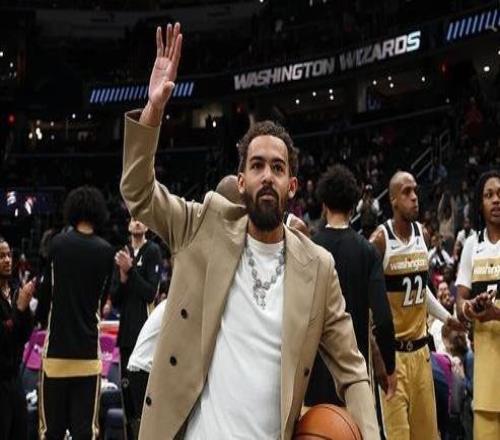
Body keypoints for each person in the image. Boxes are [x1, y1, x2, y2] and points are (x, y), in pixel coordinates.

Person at [120, 23, 380, 439]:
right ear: (241, 181)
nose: (267, 176)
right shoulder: (202, 225)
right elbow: (138, 191)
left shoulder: (318, 268)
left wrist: (370, 433)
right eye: (257, 165)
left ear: (292, 186)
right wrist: (153, 112)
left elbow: (352, 370)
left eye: (278, 168)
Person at [370, 171, 463, 440]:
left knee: (428, 435)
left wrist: (447, 318)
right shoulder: (380, 240)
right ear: (393, 200)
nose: (414, 197)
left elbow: (423, 292)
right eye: (406, 192)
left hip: (422, 353)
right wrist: (376, 355)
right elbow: (367, 303)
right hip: (393, 356)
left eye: (415, 191)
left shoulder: (422, 234)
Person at [304, 165, 396, 406]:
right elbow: (383, 320)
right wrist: (390, 367)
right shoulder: (368, 251)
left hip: (314, 377)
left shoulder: (308, 250)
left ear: (324, 205)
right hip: (354, 377)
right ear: (354, 207)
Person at [36, 186, 115, 440]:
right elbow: (102, 299)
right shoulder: (106, 251)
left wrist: (41, 318)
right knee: (85, 434)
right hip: (88, 355)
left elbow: (46, 292)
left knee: (51, 432)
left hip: (56, 355)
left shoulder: (58, 245)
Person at [456, 170, 500, 439]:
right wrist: (469, 308)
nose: (496, 200)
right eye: (489, 195)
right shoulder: (472, 245)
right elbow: (460, 300)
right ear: (479, 204)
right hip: (486, 377)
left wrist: (496, 314)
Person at [110, 218, 162, 439]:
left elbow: (150, 293)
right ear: (128, 225)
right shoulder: (123, 253)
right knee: (127, 398)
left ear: (148, 226)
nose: (137, 222)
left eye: (141, 219)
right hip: (126, 335)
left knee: (145, 397)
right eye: (133, 218)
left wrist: (130, 271)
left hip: (146, 336)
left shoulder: (153, 251)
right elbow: (115, 299)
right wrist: (123, 279)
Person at [0, 237, 35, 440]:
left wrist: (25, 308)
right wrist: (19, 310)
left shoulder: (14, 291)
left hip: (15, 379)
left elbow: (25, 334)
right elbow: (4, 338)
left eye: (8, 255)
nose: (7, 260)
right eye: (1, 256)